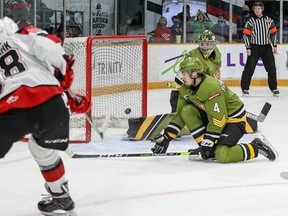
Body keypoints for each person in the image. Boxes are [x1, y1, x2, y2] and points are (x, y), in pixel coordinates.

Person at [0, 17, 91, 215]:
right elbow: (53, 52)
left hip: (13, 110)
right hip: (52, 105)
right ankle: (61, 197)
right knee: (41, 148)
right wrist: (67, 91)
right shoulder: (24, 37)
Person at [151, 57, 278, 163]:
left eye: (184, 73)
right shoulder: (185, 88)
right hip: (214, 116)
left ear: (194, 73)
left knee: (222, 155)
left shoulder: (211, 87)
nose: (182, 77)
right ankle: (205, 147)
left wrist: (209, 142)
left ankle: (255, 146)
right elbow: (179, 115)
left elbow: (219, 119)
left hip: (234, 120)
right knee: (186, 111)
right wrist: (167, 137)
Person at [169, 30, 221, 112]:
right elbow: (181, 75)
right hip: (191, 89)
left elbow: (216, 70)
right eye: (202, 44)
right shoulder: (193, 55)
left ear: (213, 44)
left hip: (206, 89)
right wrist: (176, 94)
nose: (204, 47)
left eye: (207, 44)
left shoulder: (217, 53)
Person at [241, 1, 279, 97]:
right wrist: (248, 47)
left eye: (259, 8)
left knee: (271, 69)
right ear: (253, 10)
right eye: (255, 8)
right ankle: (245, 88)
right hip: (254, 47)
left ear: (262, 9)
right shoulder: (251, 21)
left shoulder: (268, 20)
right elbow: (246, 35)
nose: (257, 10)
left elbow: (273, 33)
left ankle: (274, 88)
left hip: (266, 47)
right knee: (249, 69)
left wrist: (274, 45)